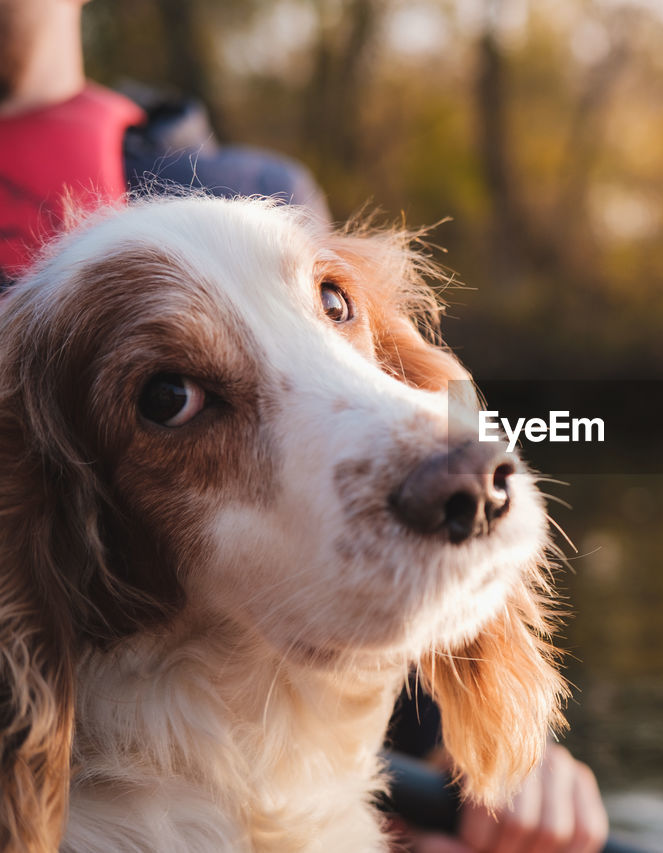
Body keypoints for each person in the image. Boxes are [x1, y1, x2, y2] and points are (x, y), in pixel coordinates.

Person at [0, 2, 609, 850]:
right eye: (170, 396)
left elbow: (439, 406)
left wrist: (495, 749)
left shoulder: (262, 186)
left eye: (332, 303)